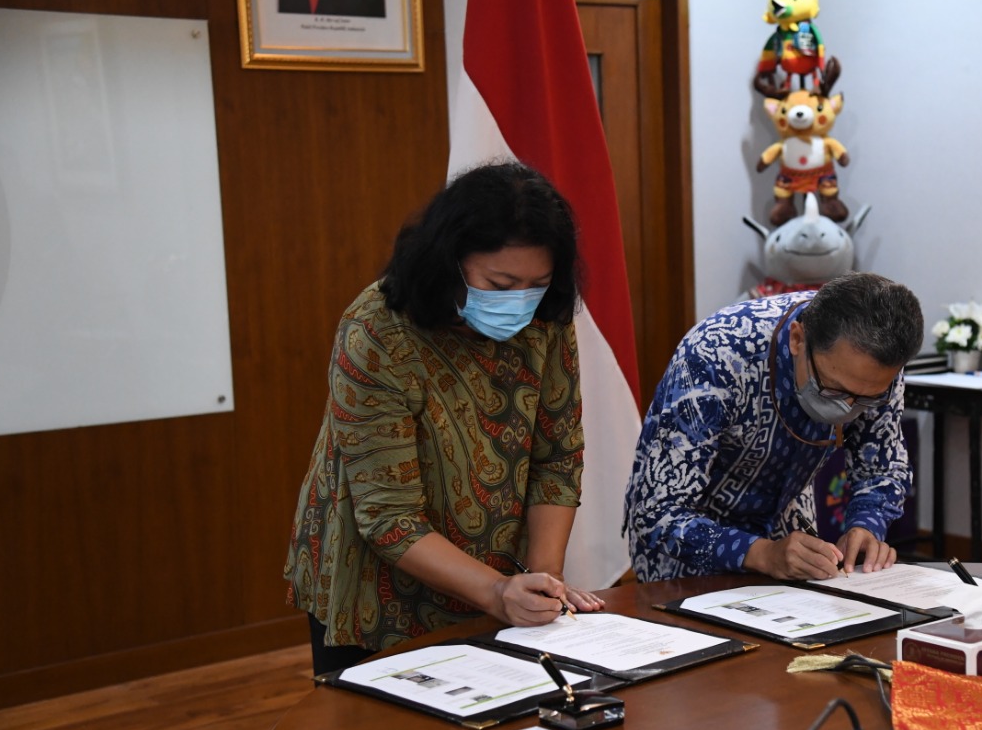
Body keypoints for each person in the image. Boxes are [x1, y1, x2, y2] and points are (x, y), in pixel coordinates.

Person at [285, 161, 605, 676]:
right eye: (500, 283)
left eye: (536, 285)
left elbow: (558, 456)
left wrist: (542, 582)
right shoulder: (377, 332)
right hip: (378, 587)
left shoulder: (544, 318)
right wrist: (497, 592)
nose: (519, 303)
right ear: (449, 261)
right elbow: (390, 518)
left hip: (500, 570)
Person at [623, 272, 923, 583]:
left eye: (866, 398)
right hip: (689, 543)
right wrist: (762, 553)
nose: (848, 408)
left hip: (788, 527)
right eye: (833, 390)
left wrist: (866, 525)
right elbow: (657, 511)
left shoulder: (877, 367)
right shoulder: (714, 355)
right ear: (797, 340)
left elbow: (883, 466)